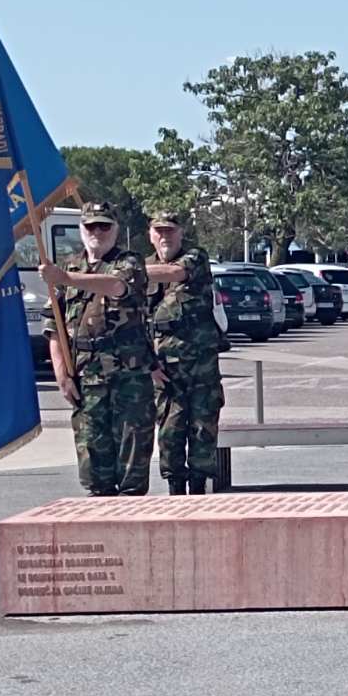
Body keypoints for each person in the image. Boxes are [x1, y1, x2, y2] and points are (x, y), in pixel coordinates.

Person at [41, 201, 161, 496]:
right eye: (90, 226)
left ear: (115, 229)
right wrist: (61, 374)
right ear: (81, 229)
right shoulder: (69, 266)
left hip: (127, 378)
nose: (97, 231)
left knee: (131, 462)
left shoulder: (129, 262)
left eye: (103, 226)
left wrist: (66, 279)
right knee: (94, 463)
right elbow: (53, 326)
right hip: (86, 378)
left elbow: (117, 286)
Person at [145, 210, 223, 495]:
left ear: (181, 233)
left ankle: (199, 490)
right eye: (159, 231)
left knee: (202, 429)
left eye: (170, 230)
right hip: (165, 369)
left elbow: (176, 272)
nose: (165, 236)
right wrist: (149, 364)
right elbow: (134, 322)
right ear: (150, 235)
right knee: (169, 431)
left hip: (200, 365)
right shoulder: (144, 267)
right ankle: (175, 490)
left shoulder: (195, 257)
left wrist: (127, 273)